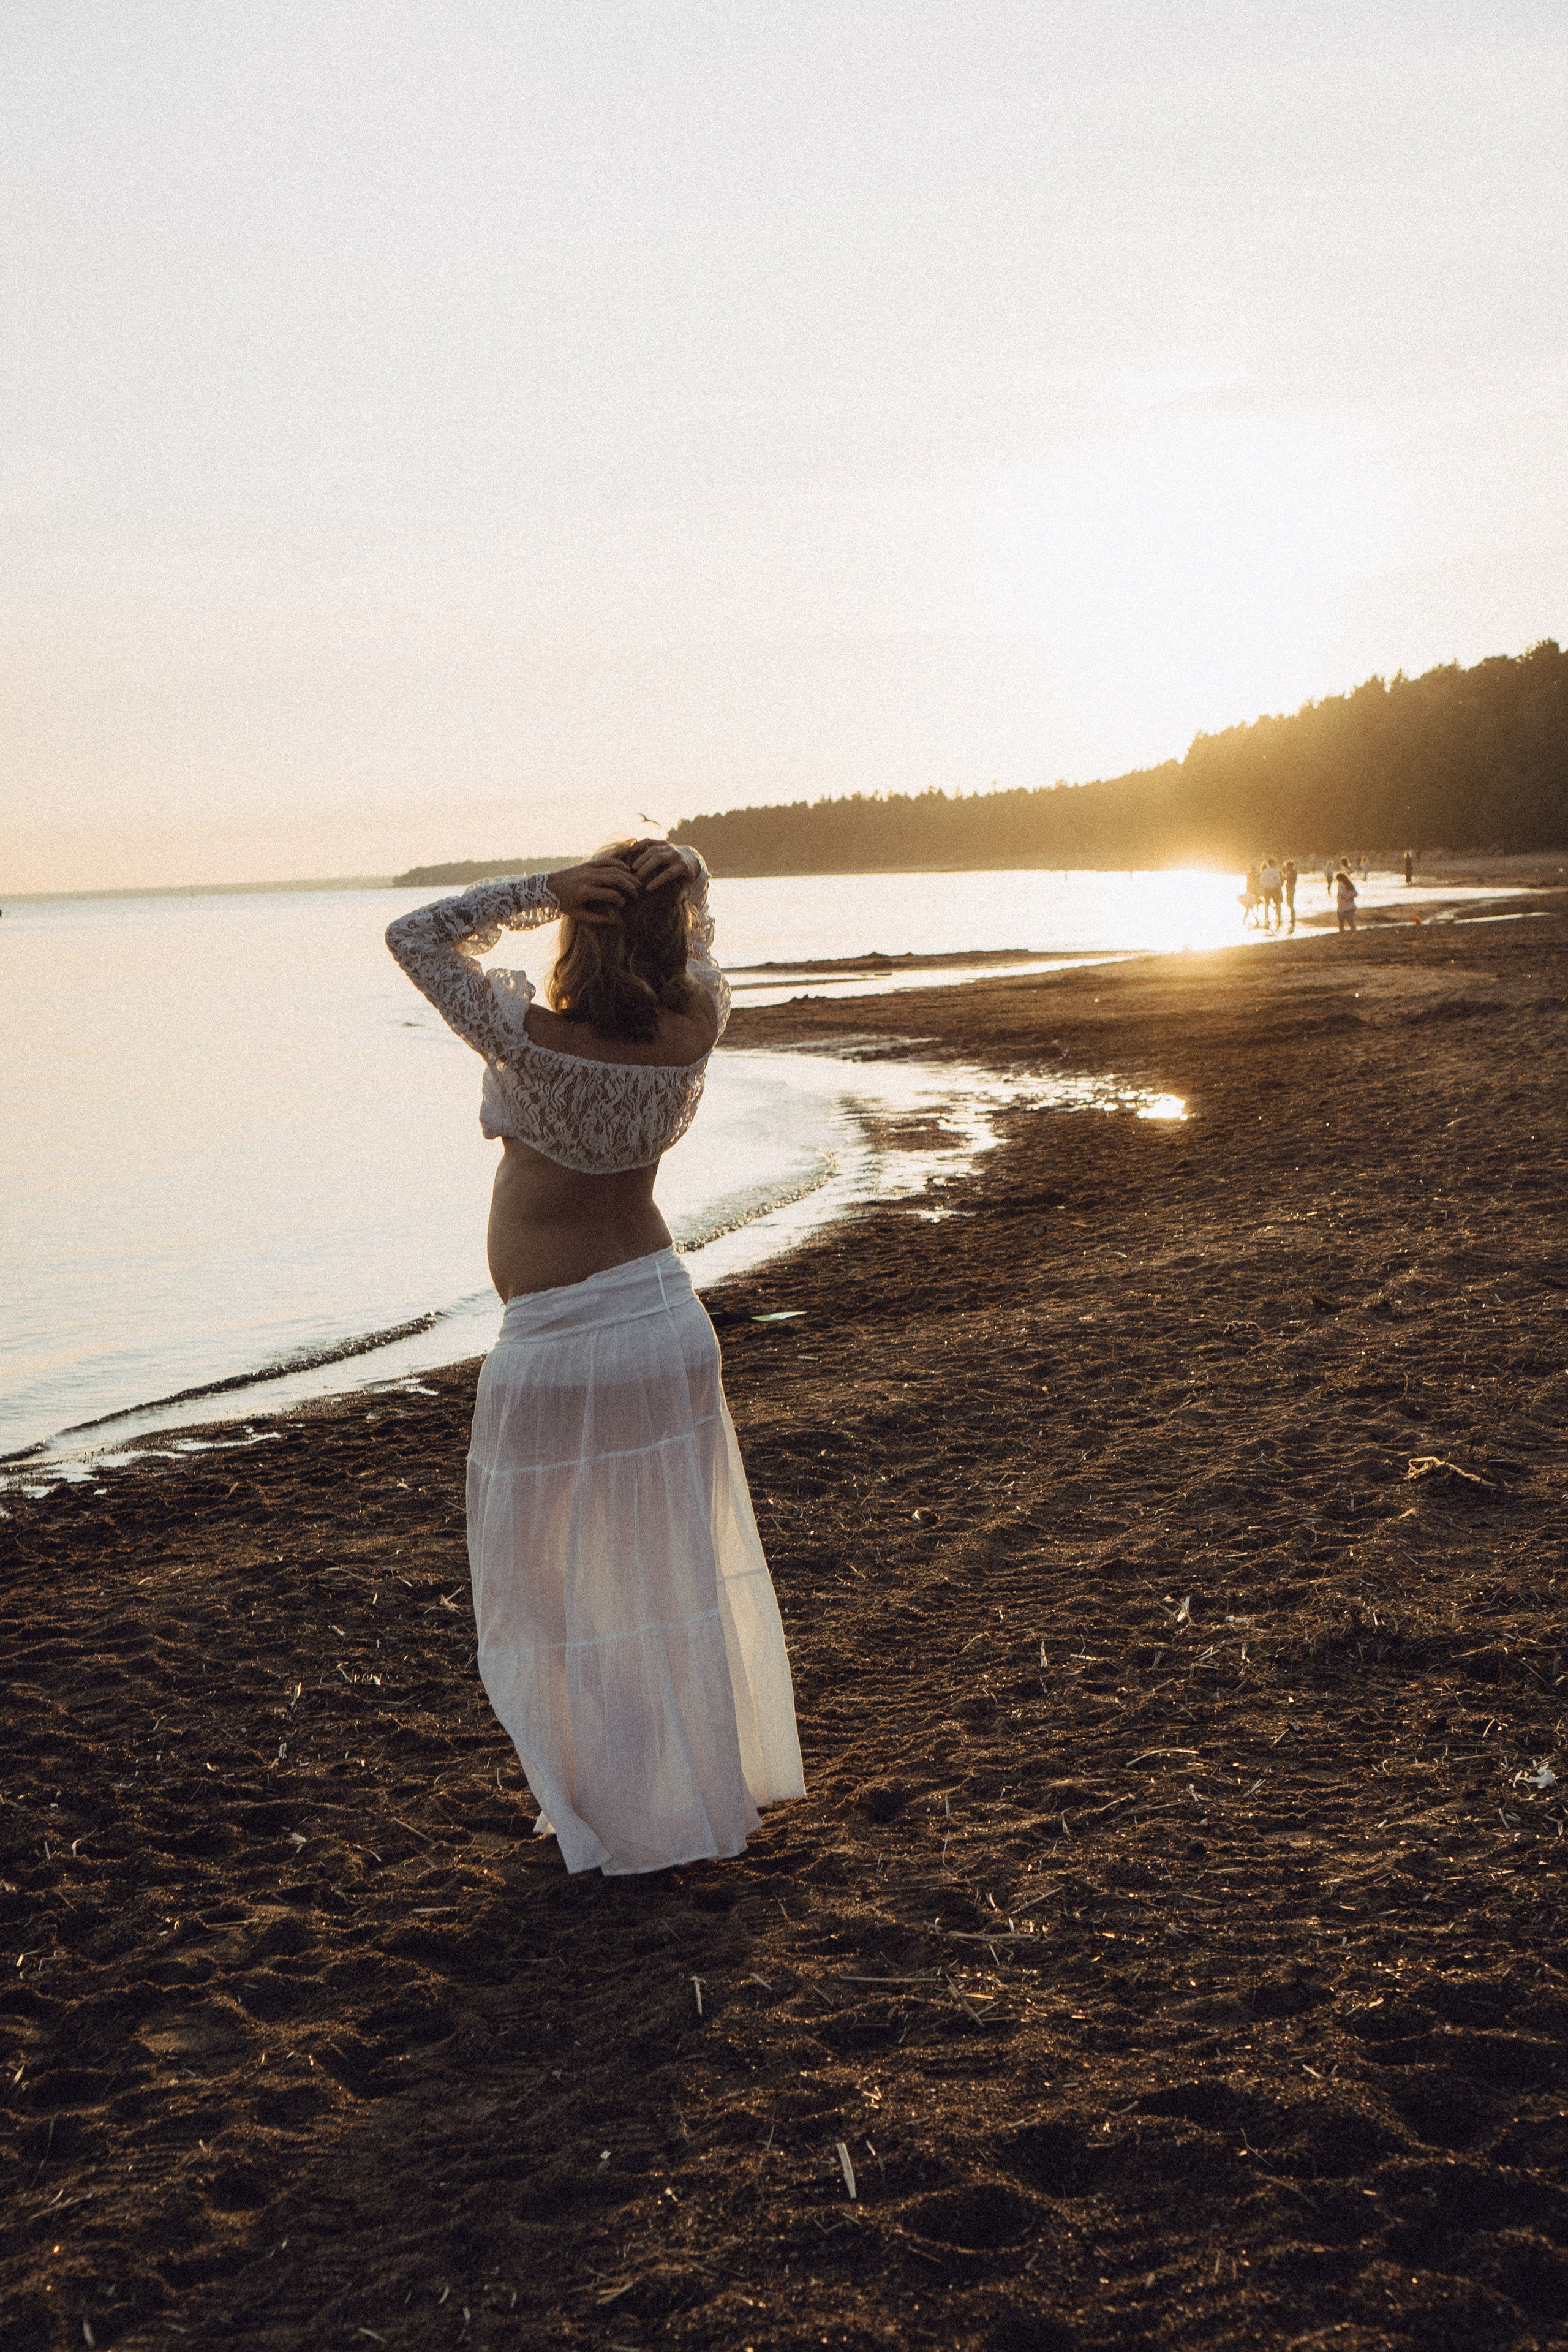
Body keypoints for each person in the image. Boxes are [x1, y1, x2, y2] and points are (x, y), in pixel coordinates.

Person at [385, 841, 804, 1875]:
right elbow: (703, 935)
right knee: (667, 1572)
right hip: (661, 1321)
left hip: (564, 1342)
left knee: (541, 1590)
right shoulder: (695, 1028)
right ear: (674, 932)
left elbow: (414, 935)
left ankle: (619, 1798)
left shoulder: (529, 1039)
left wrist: (545, 889)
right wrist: (676, 872)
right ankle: (662, 1786)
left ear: (582, 928)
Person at [1333, 860, 1359, 933]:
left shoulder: (1341, 884)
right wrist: (1350, 897)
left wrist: (1347, 897)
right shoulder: (1350, 884)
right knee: (1351, 922)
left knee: (1341, 923)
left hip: (1343, 907)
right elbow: (1356, 894)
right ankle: (1354, 932)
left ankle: (1342, 933)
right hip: (1351, 906)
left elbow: (1342, 893)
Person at [1259, 856, 1283, 931]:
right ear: (1273, 864)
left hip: (1266, 889)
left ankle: (1267, 918)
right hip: (1274, 889)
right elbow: (1278, 882)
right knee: (1277, 904)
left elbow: (1261, 882)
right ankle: (1278, 917)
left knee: (1266, 904)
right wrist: (1279, 891)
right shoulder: (1275, 872)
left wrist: (1261, 890)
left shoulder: (1264, 872)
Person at [1282, 858, 1298, 932]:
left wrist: (1285, 877)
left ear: (1291, 866)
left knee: (1291, 905)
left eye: (1288, 866)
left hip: (1291, 889)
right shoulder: (1292, 872)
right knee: (1290, 904)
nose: (1287, 867)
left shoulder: (1293, 873)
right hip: (1289, 889)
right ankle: (1292, 918)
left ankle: (1293, 918)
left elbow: (1290, 880)